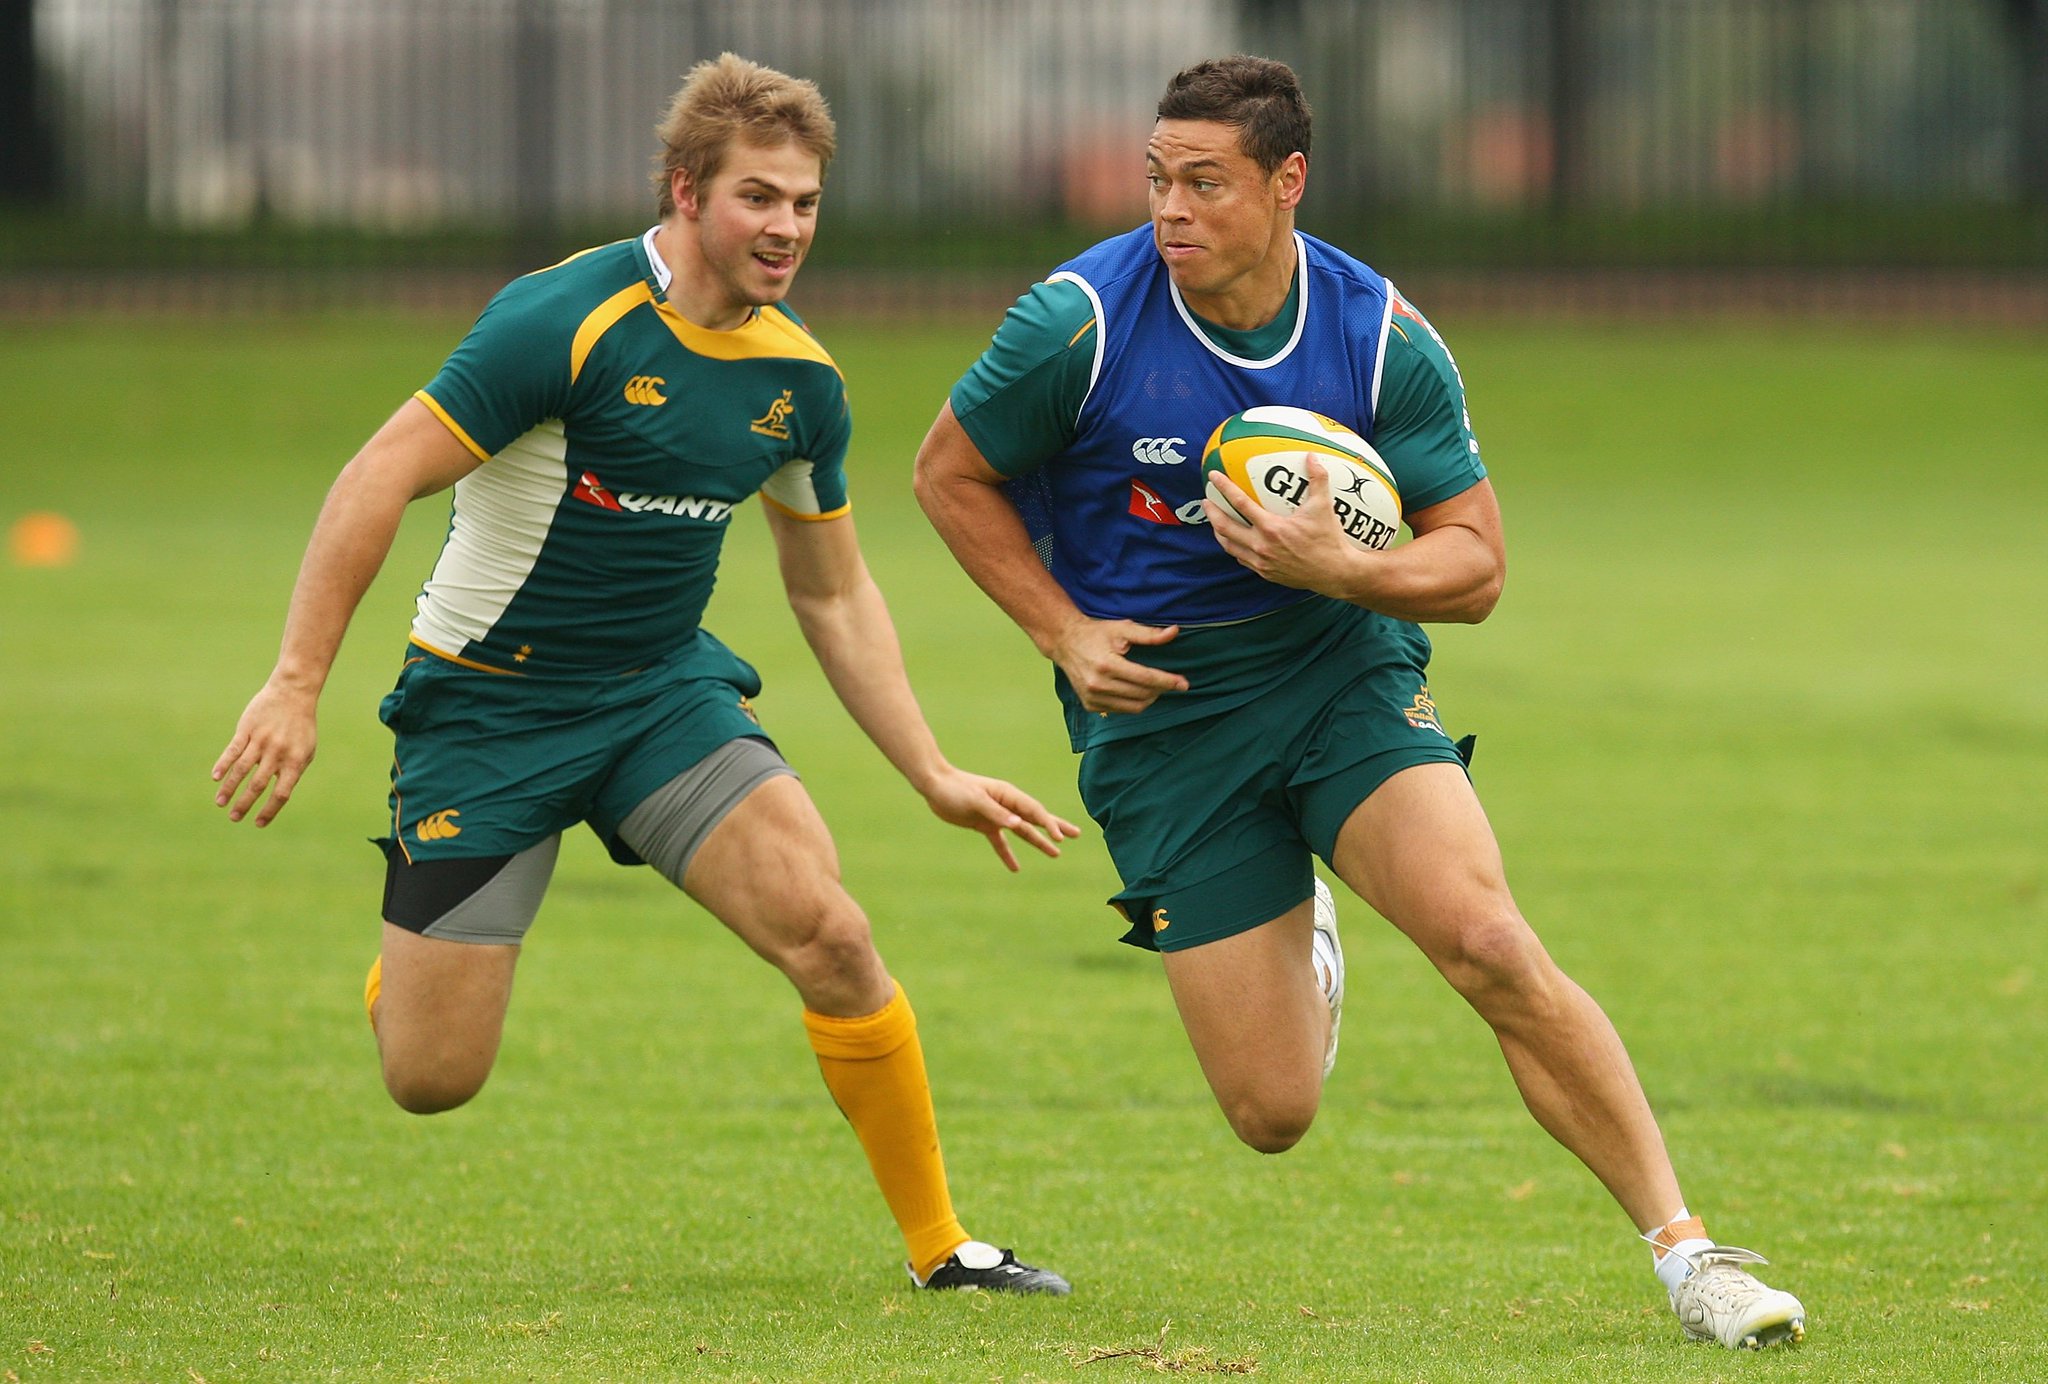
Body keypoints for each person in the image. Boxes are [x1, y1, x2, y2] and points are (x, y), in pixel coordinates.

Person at [913, 54, 1806, 1346]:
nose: (1171, 209)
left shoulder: (1377, 334)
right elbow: (949, 474)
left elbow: (1479, 564)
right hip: (1161, 715)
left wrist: (1348, 569)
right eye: (1159, 179)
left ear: (1288, 184)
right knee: (1270, 1113)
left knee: (1489, 943)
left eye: (1206, 183)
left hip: (1337, 669)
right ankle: (1306, 928)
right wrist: (1063, 633)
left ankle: (1693, 1256)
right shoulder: (1078, 323)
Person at [212, 52, 1075, 1297]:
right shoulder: (561, 320)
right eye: (758, 198)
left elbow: (830, 589)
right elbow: (375, 478)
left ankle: (943, 1246)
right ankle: (413, 955)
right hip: (487, 706)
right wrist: (295, 683)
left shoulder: (800, 381)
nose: (786, 228)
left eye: (805, 203)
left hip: (659, 699)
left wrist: (930, 769)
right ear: (686, 191)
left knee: (830, 933)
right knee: (430, 1078)